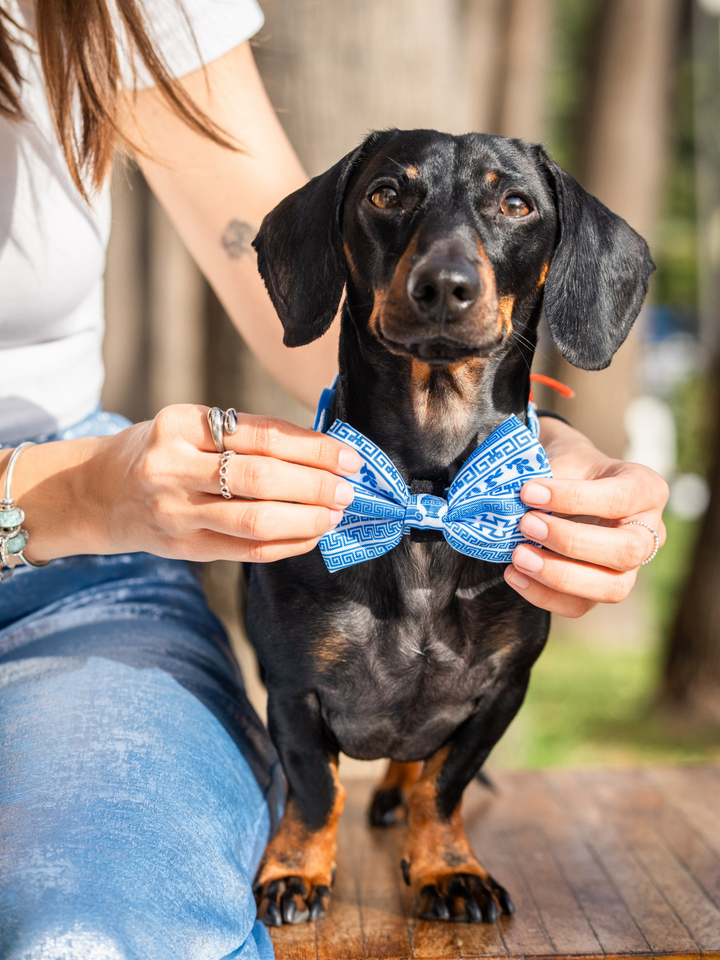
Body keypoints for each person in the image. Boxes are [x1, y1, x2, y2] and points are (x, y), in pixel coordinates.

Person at [0, 0, 669, 957]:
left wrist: (539, 445)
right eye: (396, 202)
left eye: (510, 207)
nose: (449, 272)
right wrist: (70, 493)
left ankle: (428, 815)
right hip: (85, 509)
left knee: (100, 931)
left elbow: (269, 259)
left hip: (80, 580)